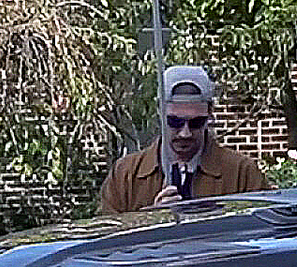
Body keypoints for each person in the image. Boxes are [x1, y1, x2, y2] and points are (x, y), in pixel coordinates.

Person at [98, 66, 268, 214]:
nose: (185, 133)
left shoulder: (242, 173)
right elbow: (106, 238)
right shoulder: (126, 175)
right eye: (175, 122)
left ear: (210, 113)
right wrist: (150, 220)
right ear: (160, 112)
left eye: (196, 123)